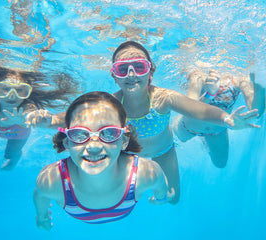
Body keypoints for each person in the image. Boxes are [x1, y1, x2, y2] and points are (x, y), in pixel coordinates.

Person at [110, 41, 260, 204]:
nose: (131, 75)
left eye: (139, 67)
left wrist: (225, 118)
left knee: (173, 198)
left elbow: (197, 109)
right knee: (114, 197)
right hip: (127, 155)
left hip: (163, 151)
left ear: (150, 72)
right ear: (114, 76)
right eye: (122, 69)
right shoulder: (111, 104)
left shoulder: (163, 98)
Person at [33, 91, 174, 230]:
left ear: (124, 141)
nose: (94, 146)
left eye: (109, 133)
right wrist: (42, 217)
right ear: (67, 143)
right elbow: (40, 196)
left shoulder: (146, 173)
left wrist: (161, 197)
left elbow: (160, 183)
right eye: (79, 134)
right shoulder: (51, 180)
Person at [172, 69, 265, 168]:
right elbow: (188, 109)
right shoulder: (198, 74)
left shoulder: (239, 78)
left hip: (218, 130)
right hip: (189, 127)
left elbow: (256, 113)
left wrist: (260, 88)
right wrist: (209, 95)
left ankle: (205, 140)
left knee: (220, 163)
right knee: (179, 139)